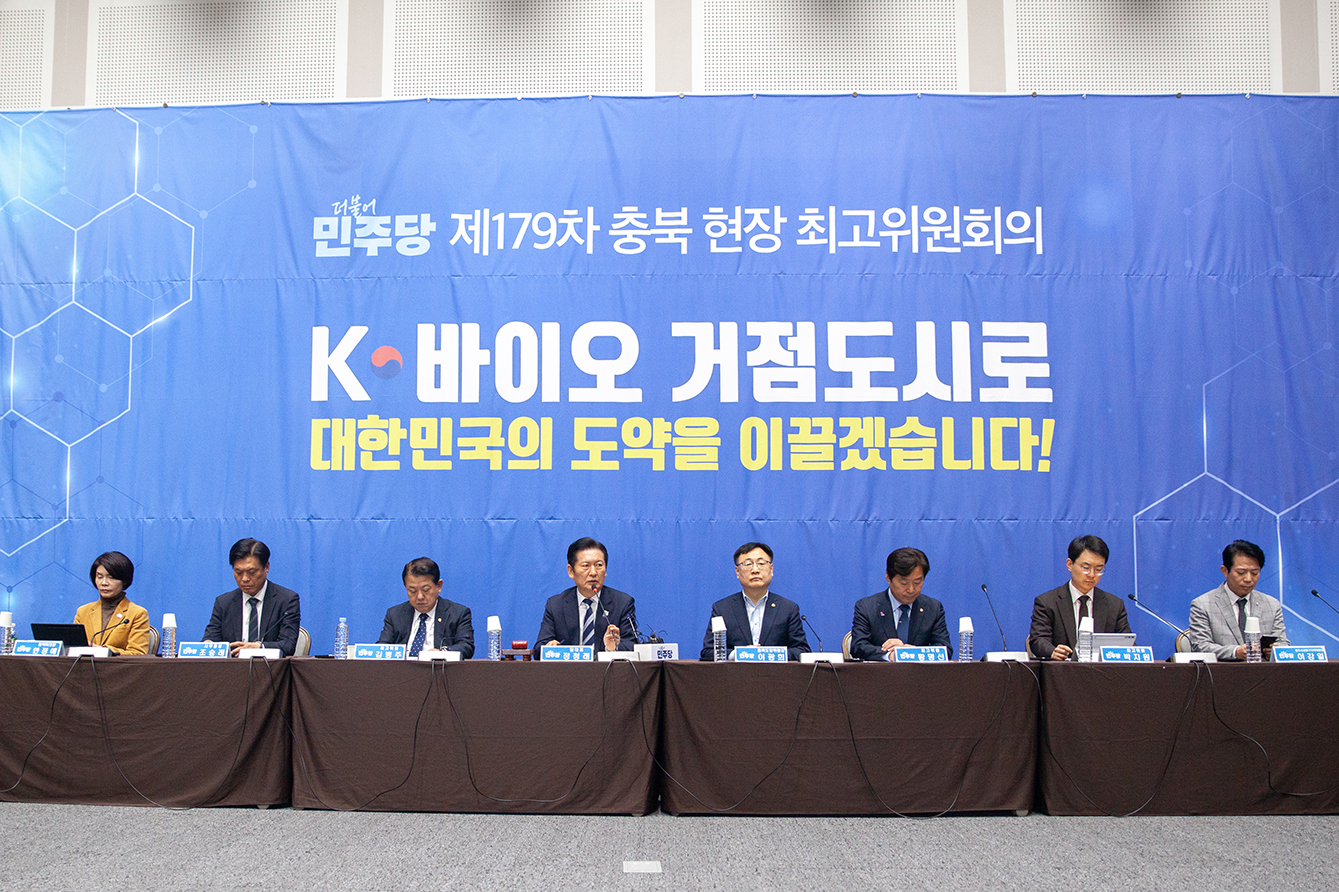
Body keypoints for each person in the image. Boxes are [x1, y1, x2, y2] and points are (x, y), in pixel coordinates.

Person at [698, 542, 810, 661]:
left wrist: (764, 655)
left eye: (761, 563)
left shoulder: (788, 608)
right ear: (737, 572)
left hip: (775, 672)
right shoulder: (722, 609)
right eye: (748, 564)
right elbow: (708, 652)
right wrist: (739, 654)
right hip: (736, 673)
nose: (755, 570)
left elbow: (801, 650)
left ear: (771, 569)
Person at [1029, 534, 1131, 660]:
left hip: (1101, 671)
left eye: (1099, 569)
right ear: (1069, 564)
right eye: (1086, 568)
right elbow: (1038, 640)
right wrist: (1052, 651)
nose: (1092, 575)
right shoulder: (1048, 602)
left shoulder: (1114, 605)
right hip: (1062, 670)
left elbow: (1126, 643)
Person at [533, 537, 637, 657]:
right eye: (585, 565)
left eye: (599, 565)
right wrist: (550, 647)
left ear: (605, 570)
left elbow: (632, 646)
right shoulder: (556, 605)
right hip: (569, 669)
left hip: (607, 668)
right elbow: (539, 648)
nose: (593, 572)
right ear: (571, 571)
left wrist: (612, 648)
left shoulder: (622, 603)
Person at [1187, 540, 1289, 661]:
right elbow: (1200, 646)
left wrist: (1275, 651)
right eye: (1241, 572)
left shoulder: (1271, 604)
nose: (1248, 579)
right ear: (1225, 571)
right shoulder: (1203, 605)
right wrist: (1235, 652)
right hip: (1223, 671)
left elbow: (1283, 643)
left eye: (1254, 573)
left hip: (1263, 671)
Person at [203, 538, 301, 657]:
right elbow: (210, 639)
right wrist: (207, 644)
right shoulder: (223, 603)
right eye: (238, 572)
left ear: (266, 567)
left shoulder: (286, 600)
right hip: (232, 667)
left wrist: (259, 647)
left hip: (270, 667)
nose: (244, 578)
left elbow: (288, 645)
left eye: (252, 572)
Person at [849, 547, 952, 661]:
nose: (911, 589)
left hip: (919, 672)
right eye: (904, 583)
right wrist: (890, 655)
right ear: (888, 578)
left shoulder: (933, 608)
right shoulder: (867, 607)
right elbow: (858, 647)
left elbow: (945, 650)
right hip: (881, 671)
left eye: (917, 582)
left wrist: (912, 652)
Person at [377, 557, 475, 658]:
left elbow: (466, 646)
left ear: (439, 586)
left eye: (426, 590)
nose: (420, 596)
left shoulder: (457, 614)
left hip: (438, 667)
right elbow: (382, 648)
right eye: (412, 590)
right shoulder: (395, 615)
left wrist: (443, 653)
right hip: (402, 668)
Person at [73, 552, 152, 655]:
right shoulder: (83, 612)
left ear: (124, 581)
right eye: (99, 577)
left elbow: (137, 653)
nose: (104, 583)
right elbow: (73, 648)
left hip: (118, 665)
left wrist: (101, 650)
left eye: (111, 577)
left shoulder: (137, 614)